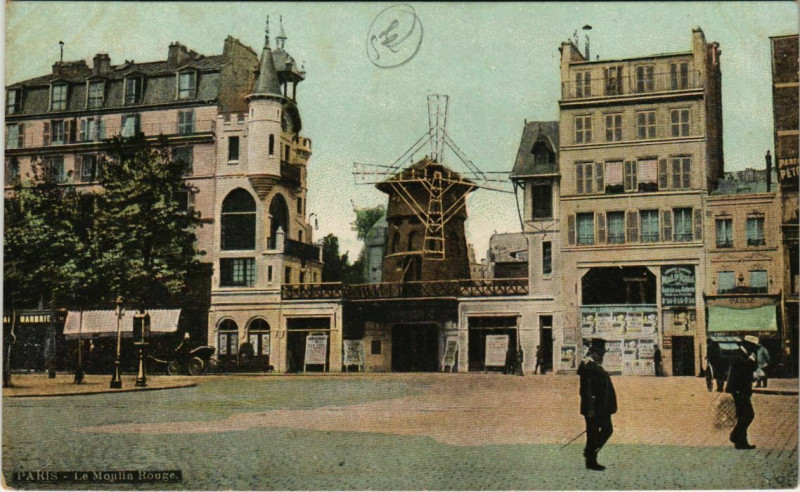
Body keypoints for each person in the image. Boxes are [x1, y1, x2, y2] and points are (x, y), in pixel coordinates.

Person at [578, 339, 617, 471]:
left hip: (602, 407)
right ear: (593, 353)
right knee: (594, 433)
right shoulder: (588, 367)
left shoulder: (594, 366)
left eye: (602, 354)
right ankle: (590, 460)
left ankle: (590, 453)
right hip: (594, 408)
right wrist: (590, 408)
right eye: (600, 354)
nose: (602, 356)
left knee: (606, 430)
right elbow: (586, 390)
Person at [726, 335, 759, 450]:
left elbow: (753, 368)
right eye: (754, 347)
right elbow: (742, 369)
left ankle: (741, 442)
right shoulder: (738, 355)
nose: (755, 349)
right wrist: (750, 360)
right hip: (738, 390)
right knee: (748, 415)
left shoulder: (746, 355)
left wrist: (753, 360)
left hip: (743, 390)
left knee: (742, 416)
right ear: (748, 345)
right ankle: (735, 435)